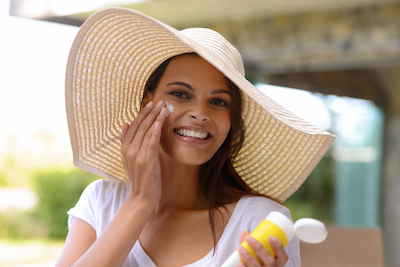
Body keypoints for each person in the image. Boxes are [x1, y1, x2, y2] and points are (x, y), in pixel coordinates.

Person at [57, 8, 335, 267]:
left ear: (232, 123)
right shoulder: (101, 201)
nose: (200, 114)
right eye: (180, 94)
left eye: (219, 102)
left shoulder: (260, 220)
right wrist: (140, 200)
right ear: (146, 105)